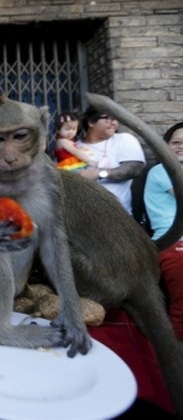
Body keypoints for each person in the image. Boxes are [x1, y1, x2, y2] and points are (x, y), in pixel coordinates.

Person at [143, 121, 183, 342]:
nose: (180, 146)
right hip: (174, 244)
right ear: (166, 146)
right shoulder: (162, 171)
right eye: (176, 142)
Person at [75, 106, 146, 214]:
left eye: (115, 119)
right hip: (82, 216)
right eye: (109, 119)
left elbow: (135, 169)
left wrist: (99, 173)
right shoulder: (74, 148)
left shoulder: (123, 139)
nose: (114, 123)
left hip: (117, 216)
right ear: (91, 122)